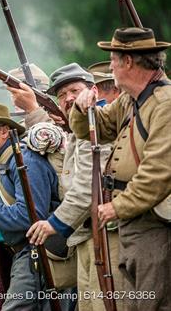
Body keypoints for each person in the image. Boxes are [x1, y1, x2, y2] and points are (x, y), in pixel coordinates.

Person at [71, 27, 171, 311]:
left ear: (128, 61)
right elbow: (97, 128)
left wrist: (118, 207)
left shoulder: (165, 104)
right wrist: (82, 109)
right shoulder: (130, 99)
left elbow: (159, 172)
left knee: (153, 303)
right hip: (134, 219)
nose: (110, 66)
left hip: (155, 221)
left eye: (113, 59)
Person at [12, 62, 123, 310]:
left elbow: (87, 190)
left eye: (74, 91)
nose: (68, 98)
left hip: (107, 234)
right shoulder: (77, 132)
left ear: (91, 91)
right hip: (85, 236)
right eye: (62, 95)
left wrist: (53, 224)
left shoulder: (97, 125)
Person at [0, 102, 59, 310]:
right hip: (25, 251)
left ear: (5, 131)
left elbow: (31, 216)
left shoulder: (25, 161)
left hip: (39, 251)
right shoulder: (4, 162)